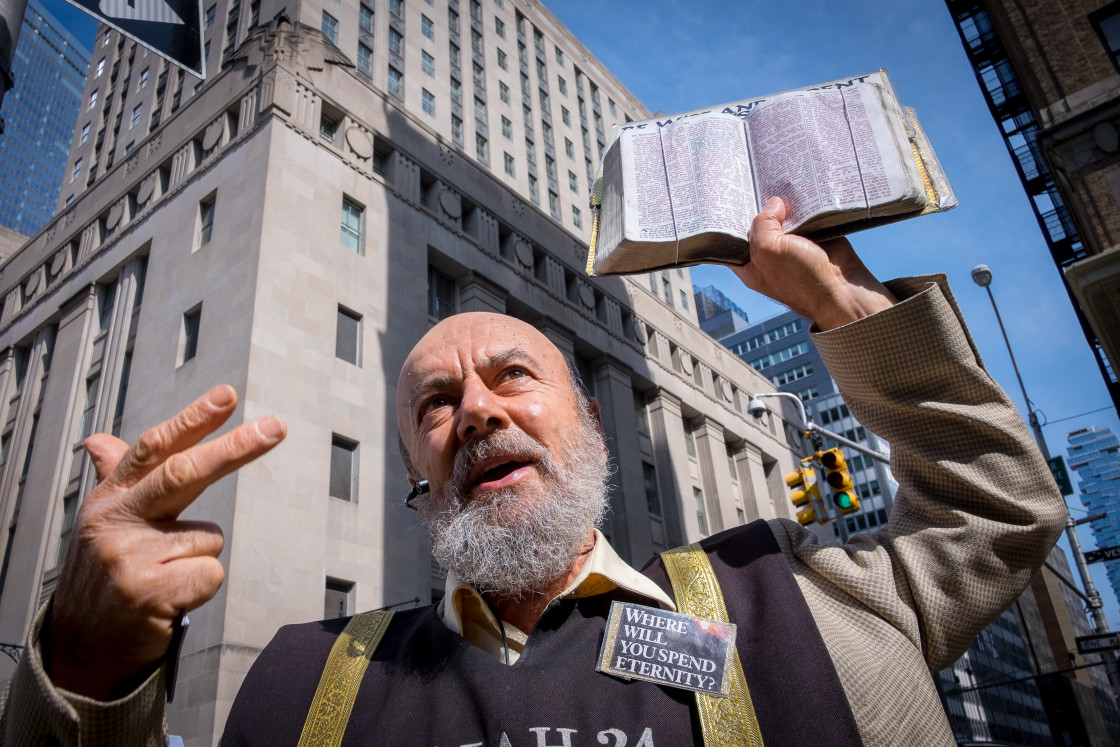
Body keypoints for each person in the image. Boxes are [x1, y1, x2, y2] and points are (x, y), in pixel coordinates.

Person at [0, 198, 1065, 745]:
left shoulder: (806, 604)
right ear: (414, 463)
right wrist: (89, 666)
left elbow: (997, 510)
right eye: (435, 404)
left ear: (590, 424)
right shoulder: (300, 683)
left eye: (512, 375)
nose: (476, 413)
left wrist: (848, 312)